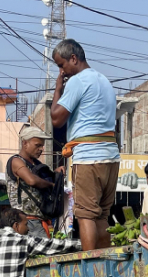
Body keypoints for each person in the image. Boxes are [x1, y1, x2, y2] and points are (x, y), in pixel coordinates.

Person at [50, 39, 119, 250]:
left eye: (62, 65)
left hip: (88, 157)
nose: (62, 71)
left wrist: (58, 89)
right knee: (101, 216)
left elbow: (56, 118)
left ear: (74, 58)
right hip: (111, 157)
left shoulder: (78, 81)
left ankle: (90, 268)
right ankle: (105, 267)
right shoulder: (104, 81)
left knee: (85, 215)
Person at [7, 125, 63, 239]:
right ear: (25, 143)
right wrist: (52, 185)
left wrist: (56, 174)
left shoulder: (36, 165)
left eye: (42, 146)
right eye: (37, 145)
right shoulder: (16, 161)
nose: (41, 149)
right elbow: (31, 180)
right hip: (26, 221)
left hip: (41, 220)